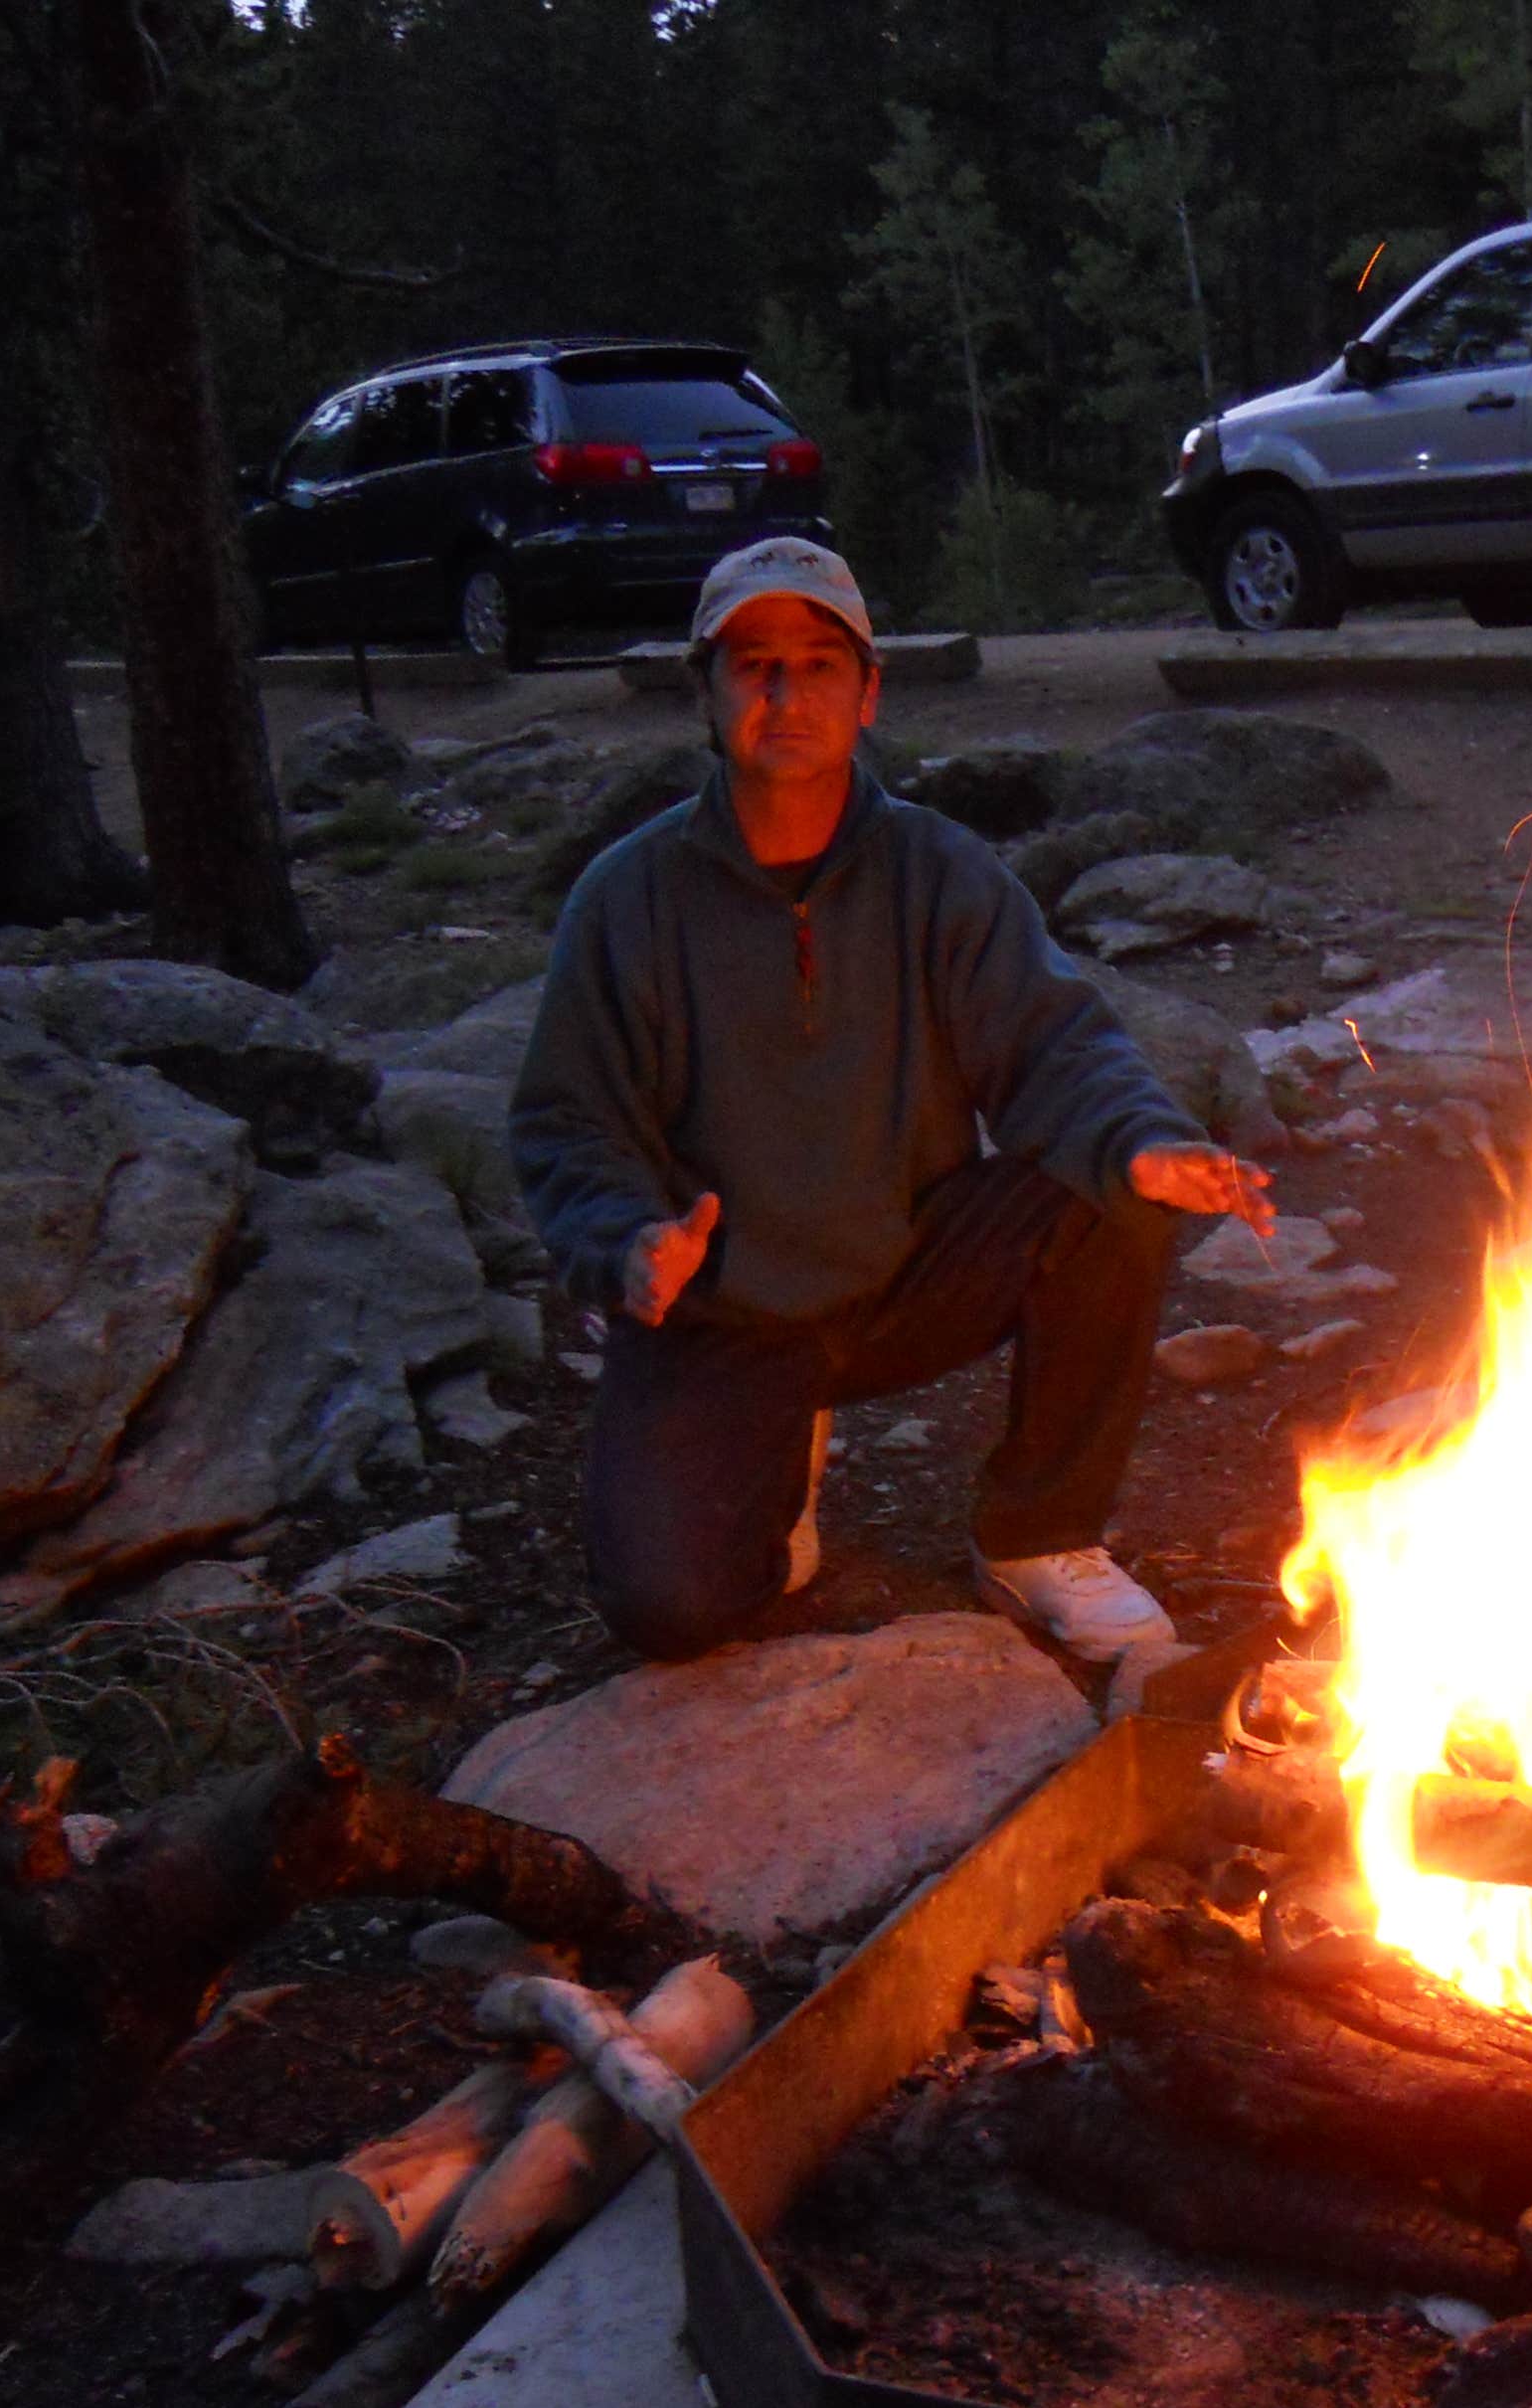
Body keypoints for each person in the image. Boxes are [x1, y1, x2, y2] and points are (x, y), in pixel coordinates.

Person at [510, 536, 1274, 1665]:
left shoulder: (938, 872)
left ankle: (1037, 1535)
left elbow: (1052, 1042)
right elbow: (566, 1121)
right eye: (752, 665)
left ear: (867, 693)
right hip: (720, 1302)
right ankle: (778, 1463)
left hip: (909, 1267)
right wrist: (625, 1243)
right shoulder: (629, 899)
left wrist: (1144, 1143)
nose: (784, 693)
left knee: (1114, 1188)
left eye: (817, 665)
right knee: (671, 1611)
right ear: (707, 695)